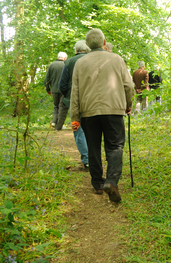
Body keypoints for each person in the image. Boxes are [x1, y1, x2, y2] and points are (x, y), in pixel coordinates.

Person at [70, 29, 134, 202]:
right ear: (104, 42)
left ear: (87, 44)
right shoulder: (117, 59)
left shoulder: (80, 63)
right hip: (113, 110)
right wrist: (128, 105)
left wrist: (74, 117)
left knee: (93, 146)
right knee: (115, 146)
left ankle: (98, 183)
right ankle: (112, 181)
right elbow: (128, 86)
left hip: (88, 112)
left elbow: (74, 92)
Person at [59, 40, 90, 171]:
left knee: (78, 129)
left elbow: (62, 84)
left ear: (76, 50)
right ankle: (94, 159)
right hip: (91, 99)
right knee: (92, 130)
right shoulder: (93, 59)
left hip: (74, 100)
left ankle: (86, 160)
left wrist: (68, 95)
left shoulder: (69, 62)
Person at [44, 51, 68, 130]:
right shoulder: (66, 64)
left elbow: (47, 78)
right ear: (64, 58)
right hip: (63, 90)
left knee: (56, 106)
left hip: (54, 90)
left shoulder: (51, 65)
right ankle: (59, 126)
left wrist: (48, 89)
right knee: (62, 107)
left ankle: (54, 121)